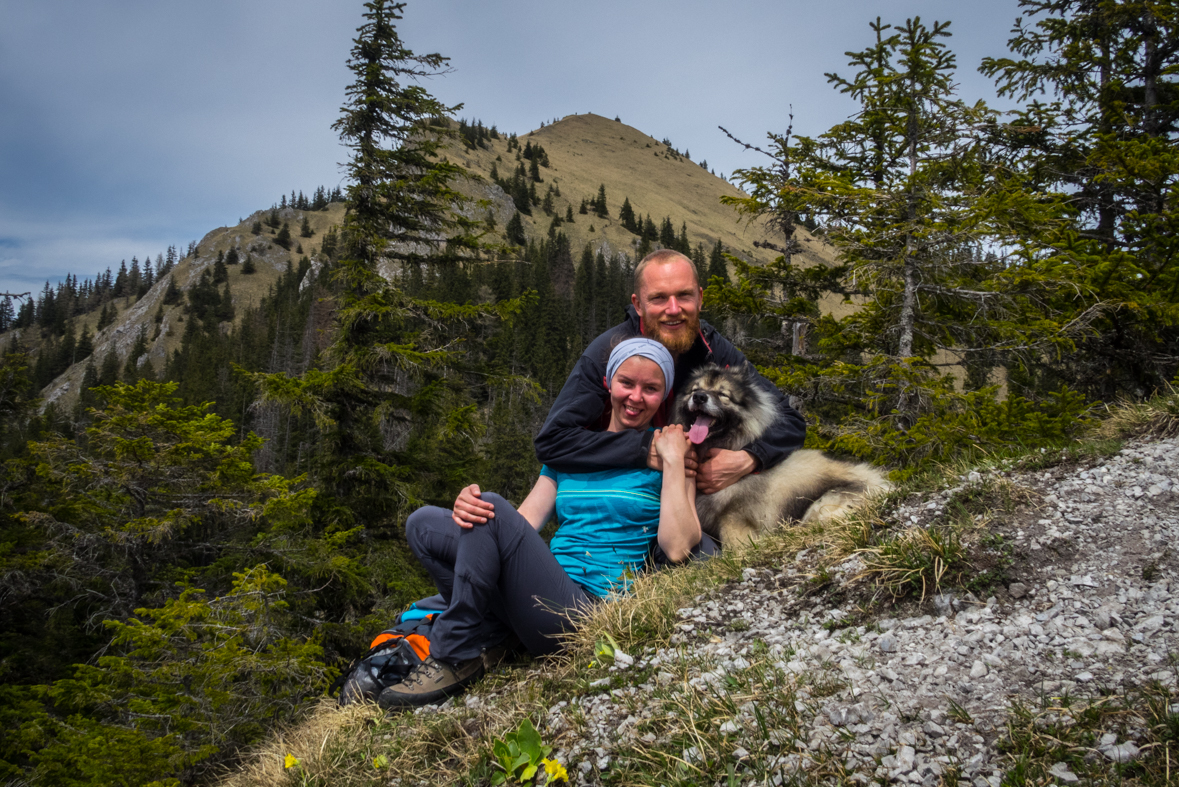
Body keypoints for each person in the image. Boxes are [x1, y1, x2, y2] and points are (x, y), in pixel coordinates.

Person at [379, 338, 701, 709]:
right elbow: (524, 522)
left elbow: (677, 548)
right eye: (627, 383)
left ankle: (455, 652)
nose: (635, 397)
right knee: (423, 524)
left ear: (664, 396)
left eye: (651, 389)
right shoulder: (574, 451)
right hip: (539, 594)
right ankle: (486, 632)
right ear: (609, 383)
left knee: (492, 508)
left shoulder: (667, 456)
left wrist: (675, 459)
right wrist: (471, 512)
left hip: (586, 612)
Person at [534, 248, 806, 495]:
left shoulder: (713, 349)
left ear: (699, 298)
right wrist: (645, 447)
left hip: (684, 500)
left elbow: (789, 421)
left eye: (684, 295)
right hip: (617, 495)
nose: (673, 310)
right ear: (638, 305)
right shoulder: (606, 354)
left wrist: (749, 458)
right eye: (659, 298)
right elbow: (553, 441)